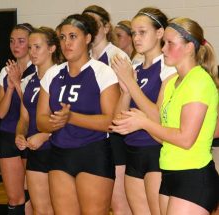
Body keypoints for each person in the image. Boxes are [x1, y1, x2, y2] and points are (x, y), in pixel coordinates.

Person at [110, 17, 219, 215]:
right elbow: (163, 136)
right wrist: (138, 123)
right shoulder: (171, 84)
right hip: (169, 173)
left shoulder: (199, 81)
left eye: (170, 43)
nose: (163, 49)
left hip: (193, 176)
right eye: (164, 43)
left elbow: (185, 139)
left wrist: (144, 122)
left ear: (189, 47)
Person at [36, 13, 119, 214]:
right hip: (59, 153)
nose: (67, 43)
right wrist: (55, 122)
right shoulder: (53, 74)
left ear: (88, 38)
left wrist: (71, 118)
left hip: (93, 153)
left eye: (73, 36)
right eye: (63, 38)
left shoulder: (102, 72)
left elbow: (111, 121)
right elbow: (40, 120)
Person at [110, 7, 176, 215]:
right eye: (133, 33)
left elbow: (158, 117)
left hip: (156, 152)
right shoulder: (135, 68)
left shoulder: (169, 68)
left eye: (142, 32)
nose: (136, 38)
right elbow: (117, 122)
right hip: (133, 152)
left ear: (159, 33)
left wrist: (130, 82)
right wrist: (126, 91)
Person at [82, 5, 131, 215]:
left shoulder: (117, 57)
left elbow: (126, 96)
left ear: (106, 27)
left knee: (119, 204)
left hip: (114, 137)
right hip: (90, 137)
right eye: (86, 26)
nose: (90, 29)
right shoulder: (85, 58)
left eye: (94, 24)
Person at [15, 26, 61, 215]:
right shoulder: (28, 81)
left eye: (37, 47)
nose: (32, 52)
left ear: (52, 48)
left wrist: (45, 135)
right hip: (35, 152)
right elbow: (24, 117)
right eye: (30, 47)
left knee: (61, 208)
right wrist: (19, 134)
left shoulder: (62, 76)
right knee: (39, 208)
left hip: (58, 150)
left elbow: (69, 117)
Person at [0, 23, 35, 215]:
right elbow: (0, 113)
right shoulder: (6, 70)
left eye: (21, 41)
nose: (15, 45)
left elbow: (32, 107)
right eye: (12, 41)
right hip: (8, 134)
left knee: (33, 197)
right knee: (14, 197)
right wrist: (10, 86)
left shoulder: (38, 70)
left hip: (30, 135)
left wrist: (18, 83)